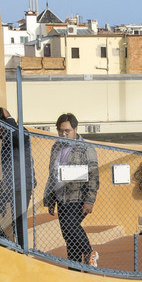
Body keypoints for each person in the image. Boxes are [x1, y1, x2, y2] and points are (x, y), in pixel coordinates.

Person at [43, 112, 100, 265]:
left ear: (75, 129)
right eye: (61, 131)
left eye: (67, 131)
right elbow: (53, 174)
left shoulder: (86, 148)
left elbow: (94, 175)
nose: (63, 134)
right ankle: (75, 268)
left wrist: (90, 201)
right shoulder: (56, 146)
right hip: (61, 197)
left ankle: (89, 252)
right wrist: (50, 199)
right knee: (69, 236)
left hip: (78, 196)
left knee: (70, 225)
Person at [0, 105, 35, 249]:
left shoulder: (18, 133)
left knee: (18, 221)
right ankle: (4, 241)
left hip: (20, 185)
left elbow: (19, 136)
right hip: (3, 186)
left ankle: (23, 251)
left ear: (4, 121)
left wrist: (10, 119)